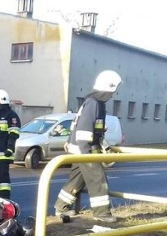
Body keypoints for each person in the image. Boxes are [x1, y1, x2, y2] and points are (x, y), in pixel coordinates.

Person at [53, 70, 123, 223]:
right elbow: (84, 130)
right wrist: (87, 154)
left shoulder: (95, 102)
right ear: (108, 87)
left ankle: (61, 206)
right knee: (98, 179)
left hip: (80, 148)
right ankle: (102, 213)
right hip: (83, 150)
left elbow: (88, 128)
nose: (114, 94)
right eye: (114, 89)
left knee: (77, 179)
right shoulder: (94, 103)